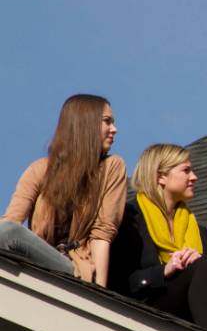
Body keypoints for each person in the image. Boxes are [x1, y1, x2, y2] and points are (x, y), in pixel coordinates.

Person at [109, 144, 207, 331]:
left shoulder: (198, 229)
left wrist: (195, 261)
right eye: (186, 170)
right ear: (160, 177)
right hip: (146, 307)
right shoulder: (131, 219)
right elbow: (120, 282)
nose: (194, 177)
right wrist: (165, 270)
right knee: (205, 265)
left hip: (188, 306)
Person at [0, 94, 127, 286]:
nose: (114, 130)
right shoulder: (40, 169)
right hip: (38, 260)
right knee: (7, 231)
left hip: (75, 268)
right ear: (86, 124)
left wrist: (100, 292)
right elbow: (11, 220)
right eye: (107, 122)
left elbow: (102, 235)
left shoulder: (112, 167)